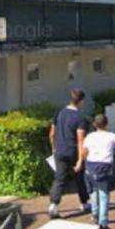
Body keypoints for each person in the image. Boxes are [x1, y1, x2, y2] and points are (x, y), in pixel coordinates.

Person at [76, 113, 115, 229]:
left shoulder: (90, 136)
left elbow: (83, 152)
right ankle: (103, 224)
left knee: (93, 192)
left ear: (94, 125)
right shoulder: (111, 136)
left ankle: (95, 215)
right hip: (104, 167)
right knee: (104, 195)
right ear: (106, 124)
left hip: (90, 166)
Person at [48, 88, 90, 219]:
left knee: (59, 178)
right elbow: (80, 140)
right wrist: (79, 160)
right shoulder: (80, 117)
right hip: (73, 152)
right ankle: (84, 203)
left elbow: (52, 134)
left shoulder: (59, 113)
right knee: (80, 178)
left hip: (59, 151)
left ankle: (53, 206)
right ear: (81, 101)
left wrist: (53, 148)